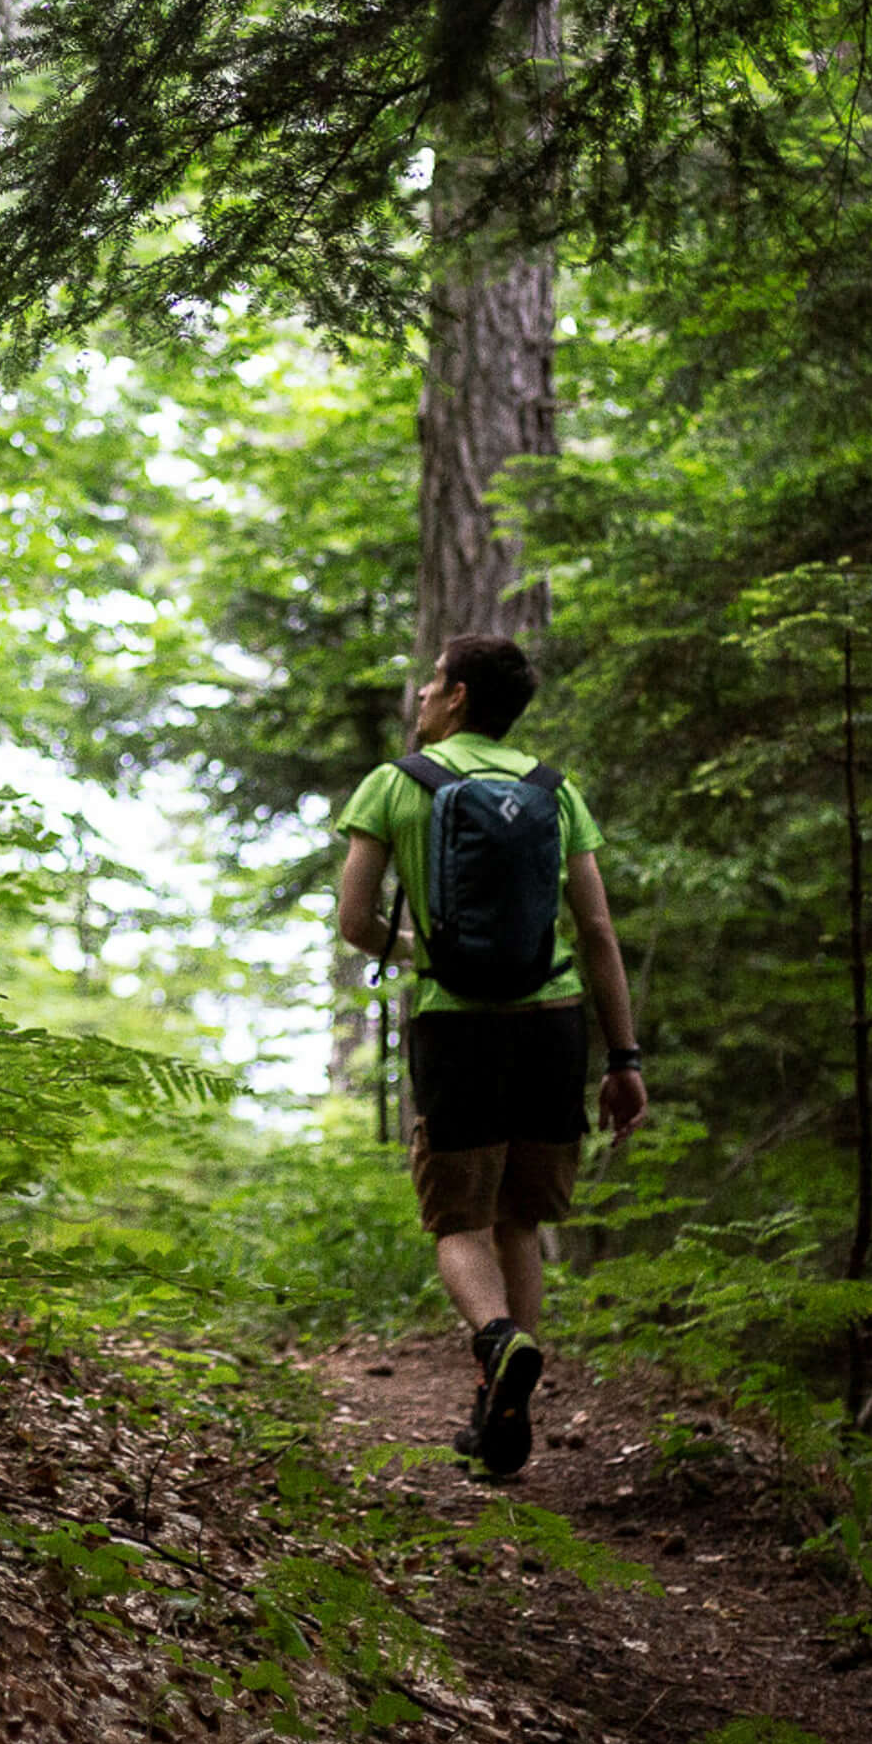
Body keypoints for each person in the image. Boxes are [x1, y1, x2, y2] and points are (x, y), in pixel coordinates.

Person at [336, 633, 648, 1478]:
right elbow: (596, 930)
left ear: (460, 697)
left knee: (459, 1222)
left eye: (434, 681)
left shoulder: (398, 785)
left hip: (459, 1027)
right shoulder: (556, 790)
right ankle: (502, 1418)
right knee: (520, 1221)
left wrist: (423, 951)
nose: (424, 694)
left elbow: (355, 921)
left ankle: (499, 1340)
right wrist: (625, 1058)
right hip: (554, 1024)